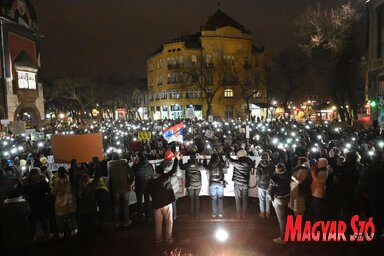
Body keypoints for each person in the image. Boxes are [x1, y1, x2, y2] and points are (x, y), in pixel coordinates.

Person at [148, 152, 179, 246]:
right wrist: (177, 158)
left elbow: (149, 192)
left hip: (157, 205)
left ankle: (158, 241)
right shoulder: (166, 177)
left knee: (158, 223)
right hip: (167, 203)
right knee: (169, 222)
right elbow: (174, 170)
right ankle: (168, 239)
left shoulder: (151, 181)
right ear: (162, 172)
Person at [19, 167, 51, 239]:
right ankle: (46, 235)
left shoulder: (24, 181)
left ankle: (32, 236)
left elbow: (22, 192)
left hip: (31, 203)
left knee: (32, 221)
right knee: (43, 219)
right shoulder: (42, 179)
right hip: (42, 201)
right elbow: (48, 189)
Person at [76, 158, 100, 246]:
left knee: (82, 228)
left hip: (81, 212)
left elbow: (72, 179)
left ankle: (83, 243)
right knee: (91, 227)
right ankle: (91, 243)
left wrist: (72, 166)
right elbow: (97, 177)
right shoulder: (91, 187)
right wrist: (97, 165)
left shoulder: (77, 189)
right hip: (91, 210)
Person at [0, 189, 32, 256]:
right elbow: (29, 212)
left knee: (11, 245)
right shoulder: (23, 204)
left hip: (9, 229)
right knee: (22, 243)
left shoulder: (4, 206)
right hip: (22, 227)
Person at [50, 166, 78, 239]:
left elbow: (53, 192)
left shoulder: (55, 180)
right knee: (71, 216)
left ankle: (61, 232)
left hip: (59, 200)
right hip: (69, 199)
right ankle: (73, 231)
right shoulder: (69, 179)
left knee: (60, 218)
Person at [227, 149, 255, 219]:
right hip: (245, 182)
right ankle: (244, 214)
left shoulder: (237, 162)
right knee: (245, 199)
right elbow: (253, 163)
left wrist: (227, 151)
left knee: (238, 198)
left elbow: (229, 159)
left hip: (238, 183)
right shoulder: (249, 162)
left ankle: (238, 214)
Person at [107, 153, 133, 227]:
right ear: (120, 158)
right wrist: (130, 183)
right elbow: (131, 175)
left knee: (116, 206)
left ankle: (116, 222)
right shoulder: (125, 164)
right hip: (125, 187)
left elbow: (109, 178)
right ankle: (126, 221)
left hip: (115, 188)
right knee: (125, 205)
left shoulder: (110, 166)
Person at [268, 163, 290, 245]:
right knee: (288, 217)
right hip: (288, 197)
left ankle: (283, 238)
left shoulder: (274, 178)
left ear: (276, 170)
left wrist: (272, 200)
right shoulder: (289, 175)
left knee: (282, 220)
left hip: (279, 199)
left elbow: (270, 191)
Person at [179, 153, 203, 218]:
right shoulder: (197, 165)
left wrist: (180, 159)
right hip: (198, 183)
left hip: (190, 184)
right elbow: (204, 166)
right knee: (197, 198)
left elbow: (181, 166)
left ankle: (192, 215)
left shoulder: (187, 165)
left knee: (191, 199)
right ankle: (197, 214)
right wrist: (201, 159)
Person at [132, 151, 154, 223]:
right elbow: (152, 174)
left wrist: (134, 162)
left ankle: (140, 217)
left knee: (139, 202)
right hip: (148, 186)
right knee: (147, 201)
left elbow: (132, 172)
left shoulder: (136, 166)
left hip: (139, 186)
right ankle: (149, 216)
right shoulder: (150, 165)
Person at [158, 150, 179, 220]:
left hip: (166, 186)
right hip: (174, 186)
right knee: (174, 202)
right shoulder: (175, 164)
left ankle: (167, 217)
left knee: (166, 203)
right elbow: (179, 174)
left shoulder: (162, 164)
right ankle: (174, 215)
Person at [205, 153, 227, 218]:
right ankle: (220, 213)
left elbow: (206, 169)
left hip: (212, 183)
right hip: (220, 182)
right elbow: (225, 171)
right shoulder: (221, 164)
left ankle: (214, 213)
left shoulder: (210, 164)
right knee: (220, 198)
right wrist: (222, 160)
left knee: (213, 199)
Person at [256, 152, 275, 219]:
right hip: (269, 184)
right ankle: (268, 213)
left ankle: (262, 213)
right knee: (268, 199)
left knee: (261, 200)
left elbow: (258, 177)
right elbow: (273, 174)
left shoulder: (259, 166)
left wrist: (258, 182)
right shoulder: (272, 165)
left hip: (261, 185)